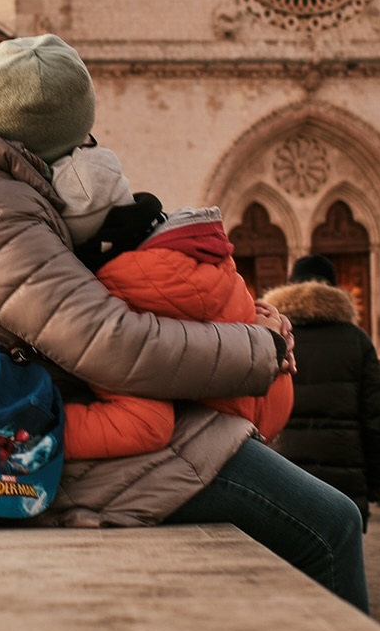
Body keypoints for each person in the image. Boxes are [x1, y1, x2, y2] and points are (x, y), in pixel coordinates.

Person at [0, 32, 368, 607]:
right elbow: (117, 346)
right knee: (330, 525)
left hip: (26, 426)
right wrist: (262, 348)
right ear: (65, 139)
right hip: (13, 452)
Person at [45, 149, 293, 458]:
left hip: (229, 430)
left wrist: (47, 431)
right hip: (274, 396)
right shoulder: (195, 247)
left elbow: (146, 423)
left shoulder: (114, 292)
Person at [258, 254, 380, 525]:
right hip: (345, 481)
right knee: (340, 560)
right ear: (334, 288)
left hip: (283, 472)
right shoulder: (357, 340)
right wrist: (378, 482)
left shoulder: (270, 337)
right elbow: (376, 418)